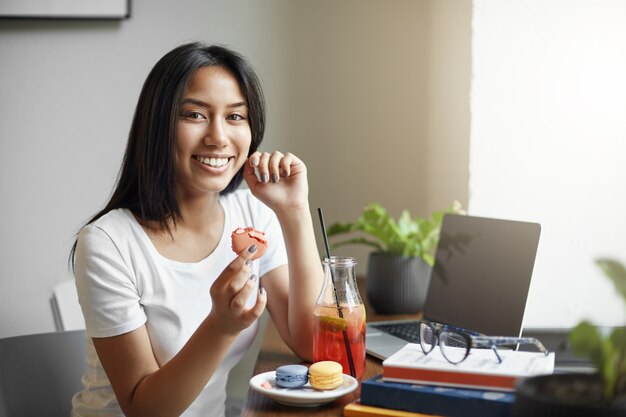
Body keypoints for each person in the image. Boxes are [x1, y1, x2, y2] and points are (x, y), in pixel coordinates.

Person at [69, 42, 323, 417]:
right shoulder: (108, 243)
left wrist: (295, 211)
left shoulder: (252, 212)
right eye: (195, 115)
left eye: (236, 117)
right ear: (158, 125)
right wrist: (220, 327)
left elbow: (312, 343)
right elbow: (144, 409)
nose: (218, 137)